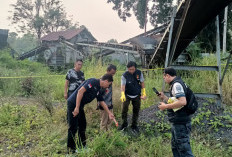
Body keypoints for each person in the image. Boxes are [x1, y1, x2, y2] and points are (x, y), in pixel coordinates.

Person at [67, 74, 115, 153]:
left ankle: (82, 147)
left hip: (79, 106)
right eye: (108, 85)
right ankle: (70, 151)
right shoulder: (93, 82)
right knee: (73, 127)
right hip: (73, 104)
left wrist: (109, 113)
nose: (107, 87)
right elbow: (80, 91)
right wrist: (77, 107)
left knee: (82, 125)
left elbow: (101, 101)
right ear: (106, 81)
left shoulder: (99, 89)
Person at [158, 67, 194, 157]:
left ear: (167, 75)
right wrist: (165, 98)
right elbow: (176, 101)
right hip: (177, 121)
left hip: (181, 122)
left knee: (184, 151)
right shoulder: (177, 83)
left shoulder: (176, 85)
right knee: (176, 147)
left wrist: (165, 106)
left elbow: (182, 102)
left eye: (164, 76)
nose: (164, 78)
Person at [119, 61, 146, 133]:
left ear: (135, 68)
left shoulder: (139, 73)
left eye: (133, 69)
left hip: (137, 94)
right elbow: (123, 86)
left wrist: (144, 93)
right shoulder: (124, 75)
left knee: (136, 110)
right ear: (127, 68)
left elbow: (142, 82)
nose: (131, 71)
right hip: (127, 95)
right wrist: (122, 94)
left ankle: (134, 125)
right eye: (129, 69)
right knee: (124, 110)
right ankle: (124, 124)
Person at [97, 64, 117, 131]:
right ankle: (103, 136)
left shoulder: (110, 79)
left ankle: (109, 134)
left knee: (110, 120)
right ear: (107, 71)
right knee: (104, 121)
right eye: (112, 73)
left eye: (114, 73)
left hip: (110, 103)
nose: (113, 75)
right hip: (103, 105)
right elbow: (99, 95)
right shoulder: (102, 80)